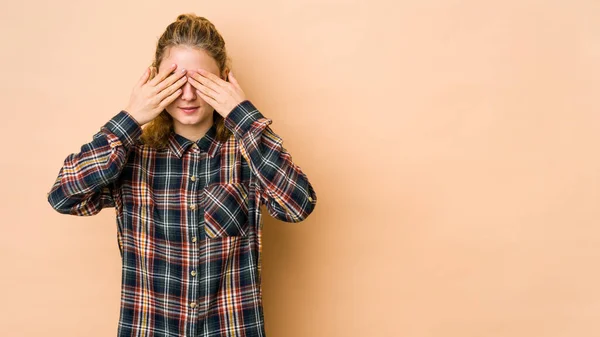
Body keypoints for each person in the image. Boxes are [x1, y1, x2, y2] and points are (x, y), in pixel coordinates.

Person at [46, 13, 317, 337]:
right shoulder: (130, 156)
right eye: (175, 81)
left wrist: (242, 115)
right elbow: (63, 195)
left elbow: (298, 205)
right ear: (153, 82)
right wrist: (130, 118)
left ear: (225, 82)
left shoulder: (248, 154)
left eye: (201, 82)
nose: (188, 96)